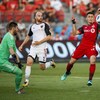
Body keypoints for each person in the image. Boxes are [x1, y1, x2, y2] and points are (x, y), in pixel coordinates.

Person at [61, 12, 100, 86]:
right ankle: (67, 72)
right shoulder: (84, 27)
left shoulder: (96, 25)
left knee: (93, 60)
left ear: (94, 18)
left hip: (91, 47)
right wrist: (73, 23)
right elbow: (74, 33)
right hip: (81, 46)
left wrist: (98, 12)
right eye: (89, 16)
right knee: (71, 62)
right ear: (86, 18)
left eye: (92, 16)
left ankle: (90, 80)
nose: (90, 18)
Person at [19, 10, 56, 87]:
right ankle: (26, 80)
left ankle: (51, 63)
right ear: (35, 17)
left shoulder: (45, 25)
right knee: (29, 62)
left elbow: (49, 36)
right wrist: (22, 45)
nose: (40, 17)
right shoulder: (32, 26)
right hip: (33, 47)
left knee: (42, 67)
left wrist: (39, 42)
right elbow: (28, 36)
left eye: (41, 15)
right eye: (38, 15)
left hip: (42, 48)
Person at [0, 21, 23, 94]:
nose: (18, 29)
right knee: (19, 73)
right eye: (17, 28)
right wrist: (14, 59)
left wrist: (18, 62)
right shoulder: (9, 36)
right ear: (13, 28)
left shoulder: (10, 36)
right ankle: (17, 90)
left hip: (2, 60)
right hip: (2, 61)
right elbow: (11, 50)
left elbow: (14, 52)